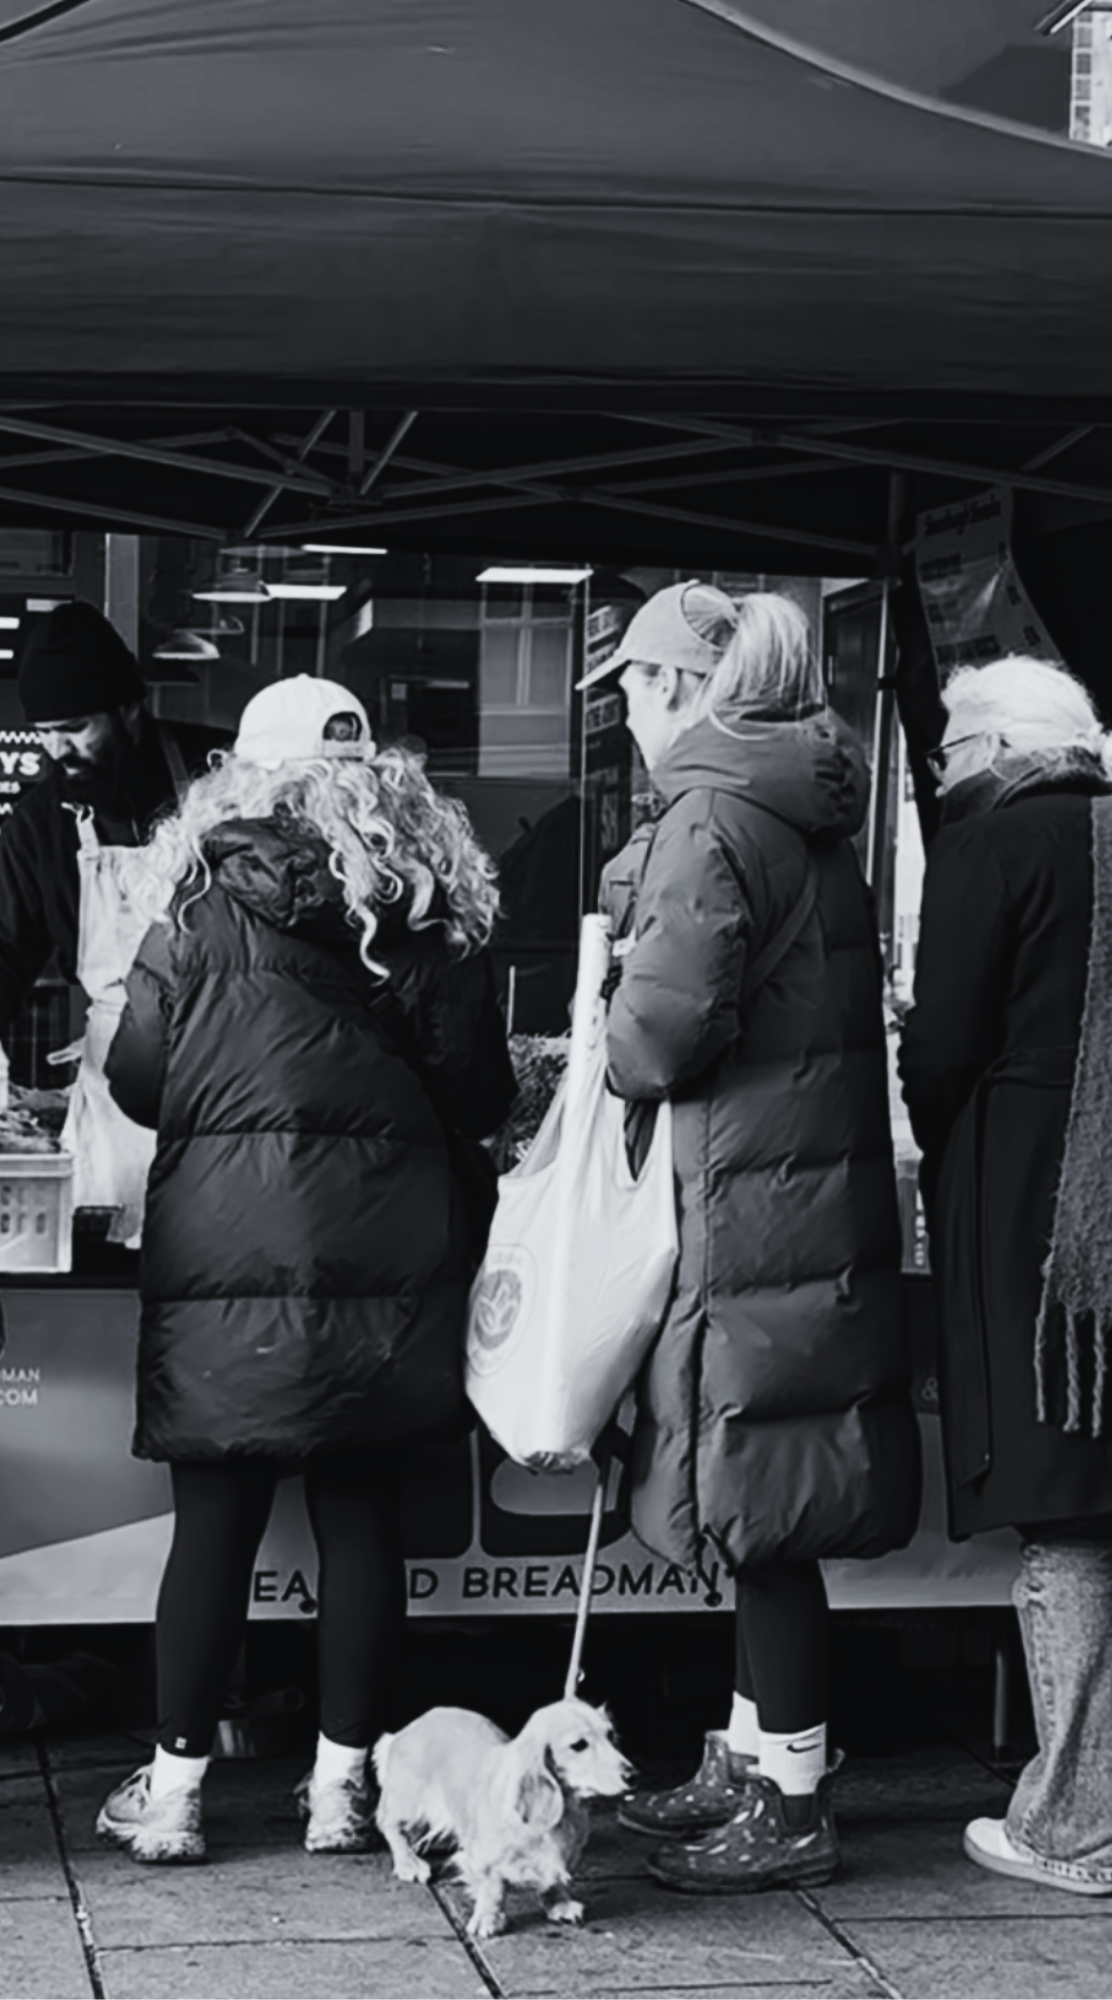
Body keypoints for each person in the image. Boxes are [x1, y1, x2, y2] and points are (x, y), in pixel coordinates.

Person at [94, 676, 516, 1865]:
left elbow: (138, 1081)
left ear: (246, 771)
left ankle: (174, 1795)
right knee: (361, 1519)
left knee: (213, 1529)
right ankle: (341, 1788)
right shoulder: (424, 910)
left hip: (220, 1253)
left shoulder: (193, 905)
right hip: (382, 1264)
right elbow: (477, 1094)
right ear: (377, 773)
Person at [594, 582, 920, 1893]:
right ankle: (750, 1756)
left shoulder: (709, 818)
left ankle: (788, 1801)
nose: (619, 709)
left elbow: (661, 1035)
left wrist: (603, 1037)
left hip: (745, 1194)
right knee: (756, 1494)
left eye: (627, 684)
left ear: (678, 689)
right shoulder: (799, 806)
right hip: (798, 1187)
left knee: (760, 1503)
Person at [899, 657, 1112, 1898]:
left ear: (988, 751)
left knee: (1069, 1507)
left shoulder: (992, 844)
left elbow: (939, 1047)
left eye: (943, 753)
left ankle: (1074, 1822)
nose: (936, 774)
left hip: (1039, 1223)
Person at [0, 601, 218, 1242]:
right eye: (43, 731)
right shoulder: (44, 819)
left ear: (129, 709)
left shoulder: (217, 782)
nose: (56, 748)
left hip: (225, 1069)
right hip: (116, 1097)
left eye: (75, 727)